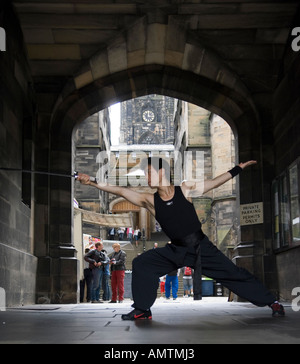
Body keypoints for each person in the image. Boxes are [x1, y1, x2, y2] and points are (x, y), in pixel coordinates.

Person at [77, 157, 285, 319]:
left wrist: (237, 168)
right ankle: (142, 309)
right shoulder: (148, 200)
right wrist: (92, 182)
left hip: (200, 246)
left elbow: (212, 183)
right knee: (142, 263)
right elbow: (120, 190)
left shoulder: (184, 188)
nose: (147, 178)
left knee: (233, 273)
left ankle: (272, 302)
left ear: (162, 172)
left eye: (149, 173)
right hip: (175, 250)